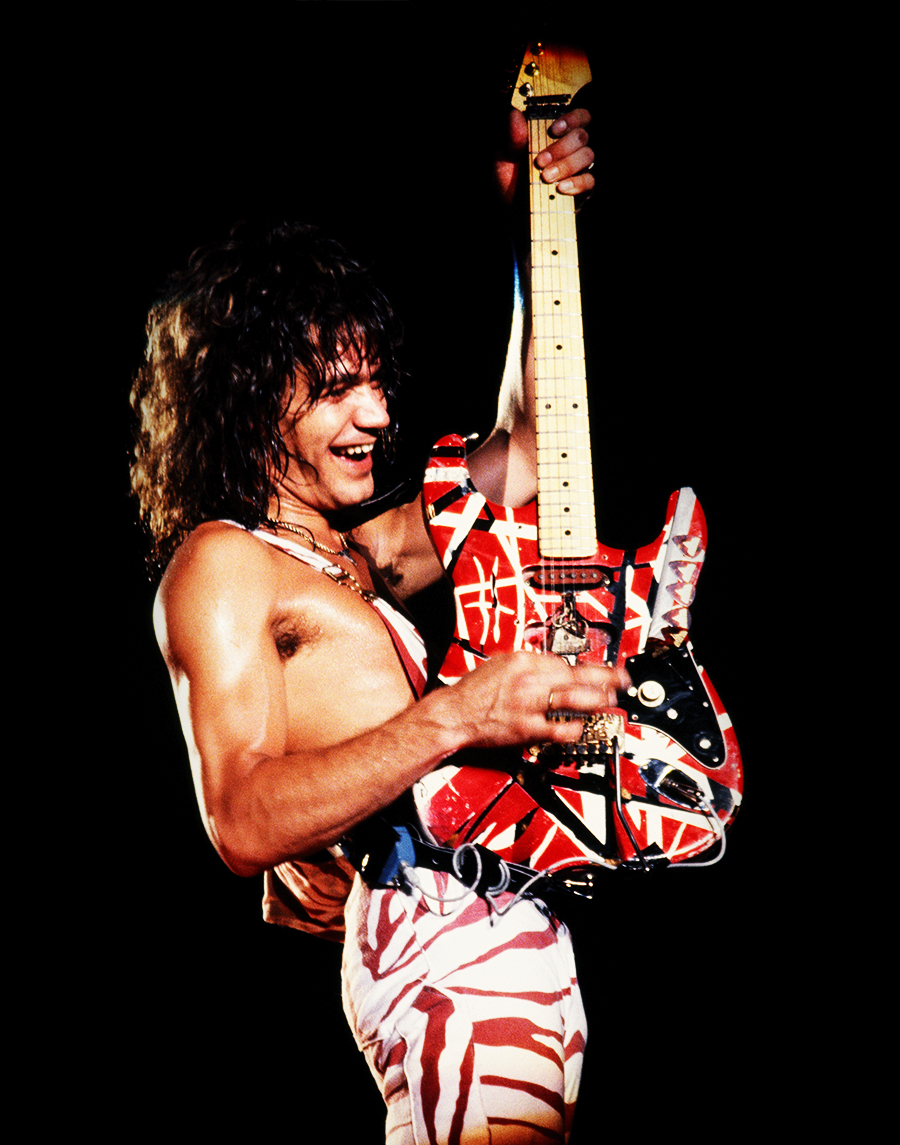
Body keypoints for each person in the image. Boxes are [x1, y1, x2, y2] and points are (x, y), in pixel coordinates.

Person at [132, 109, 621, 1143]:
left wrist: (537, 228)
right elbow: (241, 818)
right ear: (250, 400)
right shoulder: (222, 562)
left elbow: (528, 448)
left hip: (511, 940)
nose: (378, 416)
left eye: (374, 382)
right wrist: (459, 714)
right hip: (444, 951)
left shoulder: (359, 555)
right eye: (335, 391)